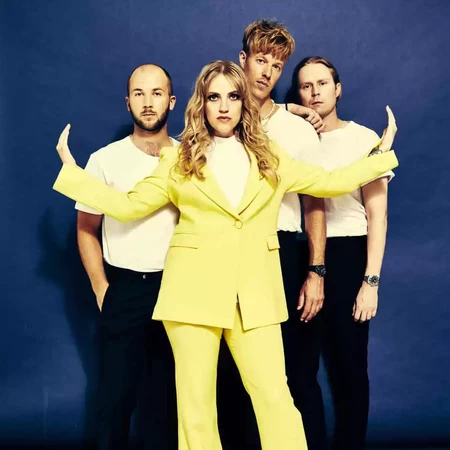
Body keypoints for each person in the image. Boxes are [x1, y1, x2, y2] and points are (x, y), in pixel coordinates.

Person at [53, 60, 398, 450]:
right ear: (201, 103)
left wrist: (380, 155)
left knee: (275, 398)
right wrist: (73, 172)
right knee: (196, 409)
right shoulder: (178, 160)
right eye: (214, 97)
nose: (223, 106)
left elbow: (330, 182)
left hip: (256, 294)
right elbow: (128, 206)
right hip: (192, 295)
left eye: (233, 96)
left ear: (243, 102)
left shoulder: (272, 158)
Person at [217, 19, 327, 449]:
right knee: (233, 373)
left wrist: (316, 271)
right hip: (228, 251)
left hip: (283, 252)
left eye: (277, 66)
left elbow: (315, 202)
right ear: (243, 60)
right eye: (261, 60)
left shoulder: (297, 129)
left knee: (295, 370)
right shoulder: (218, 118)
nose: (267, 72)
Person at [286, 56, 395, 450]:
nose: (314, 92)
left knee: (349, 368)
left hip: (349, 255)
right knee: (298, 369)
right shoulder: (291, 137)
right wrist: (294, 112)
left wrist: (371, 282)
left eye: (322, 83)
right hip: (300, 254)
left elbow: (378, 216)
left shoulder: (363, 139)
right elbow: (260, 111)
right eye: (305, 86)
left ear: (338, 88)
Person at [76, 64, 178, 450]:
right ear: (128, 102)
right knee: (114, 401)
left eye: (156, 93)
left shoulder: (190, 157)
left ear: (171, 101)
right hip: (125, 289)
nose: (147, 102)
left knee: (168, 402)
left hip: (178, 289)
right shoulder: (104, 160)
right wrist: (102, 289)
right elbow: (86, 228)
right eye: (139, 93)